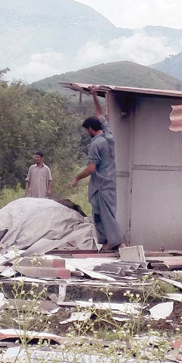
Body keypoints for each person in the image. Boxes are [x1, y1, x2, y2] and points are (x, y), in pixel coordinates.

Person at [71, 85, 125, 252]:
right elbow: (100, 115)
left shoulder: (96, 144)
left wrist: (77, 177)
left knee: (107, 215)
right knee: (99, 215)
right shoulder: (109, 135)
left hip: (101, 184)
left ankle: (119, 243)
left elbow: (92, 168)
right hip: (108, 182)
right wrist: (94, 96)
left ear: (90, 129)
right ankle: (107, 242)